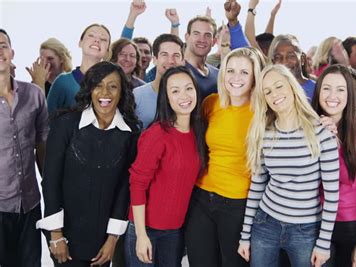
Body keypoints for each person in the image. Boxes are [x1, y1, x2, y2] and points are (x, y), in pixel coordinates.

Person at [36, 61, 140, 266]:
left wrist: (113, 238)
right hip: (65, 235)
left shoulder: (130, 133)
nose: (105, 92)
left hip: (102, 238)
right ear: (89, 89)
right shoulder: (66, 124)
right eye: (98, 85)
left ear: (122, 92)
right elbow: (51, 181)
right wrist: (56, 235)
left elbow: (123, 190)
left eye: (113, 86)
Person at [237, 64, 339, 267]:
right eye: (267, 91)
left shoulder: (320, 132)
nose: (275, 94)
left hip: (306, 229)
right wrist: (245, 234)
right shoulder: (264, 134)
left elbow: (332, 193)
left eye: (279, 86)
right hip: (265, 223)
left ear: (292, 87)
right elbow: (257, 186)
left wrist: (324, 243)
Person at [184, 47, 264, 267]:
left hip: (238, 204)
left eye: (244, 72)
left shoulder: (264, 112)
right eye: (230, 70)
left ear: (255, 77)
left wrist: (327, 125)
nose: (235, 78)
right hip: (201, 198)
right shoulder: (211, 103)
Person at [125, 66, 207, 266]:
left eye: (189, 88)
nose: (184, 96)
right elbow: (137, 184)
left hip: (175, 231)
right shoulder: (157, 134)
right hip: (146, 229)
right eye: (175, 91)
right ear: (166, 98)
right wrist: (141, 235)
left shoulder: (199, 132)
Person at [311, 64, 356, 266]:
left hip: (353, 226)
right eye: (326, 88)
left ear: (350, 95)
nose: (332, 95)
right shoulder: (308, 128)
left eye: (340, 89)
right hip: (316, 222)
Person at [0, 28, 48, 267]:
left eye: (2, 45)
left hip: (29, 203)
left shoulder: (34, 95)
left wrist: (50, 187)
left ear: (11, 52)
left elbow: (42, 144)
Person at [47, 23, 111, 114]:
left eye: (103, 39)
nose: (97, 40)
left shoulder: (112, 85)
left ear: (108, 51)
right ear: (80, 43)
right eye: (91, 35)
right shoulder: (63, 82)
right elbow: (47, 121)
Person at [133, 34, 185, 128]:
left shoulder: (188, 98)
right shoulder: (137, 95)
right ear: (155, 59)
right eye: (164, 54)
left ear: (182, 61)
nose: (171, 61)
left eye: (176, 55)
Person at [268, 34, 316, 99]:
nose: (284, 62)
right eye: (278, 57)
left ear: (303, 59)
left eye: (291, 56)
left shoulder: (318, 91)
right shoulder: (269, 94)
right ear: (273, 62)